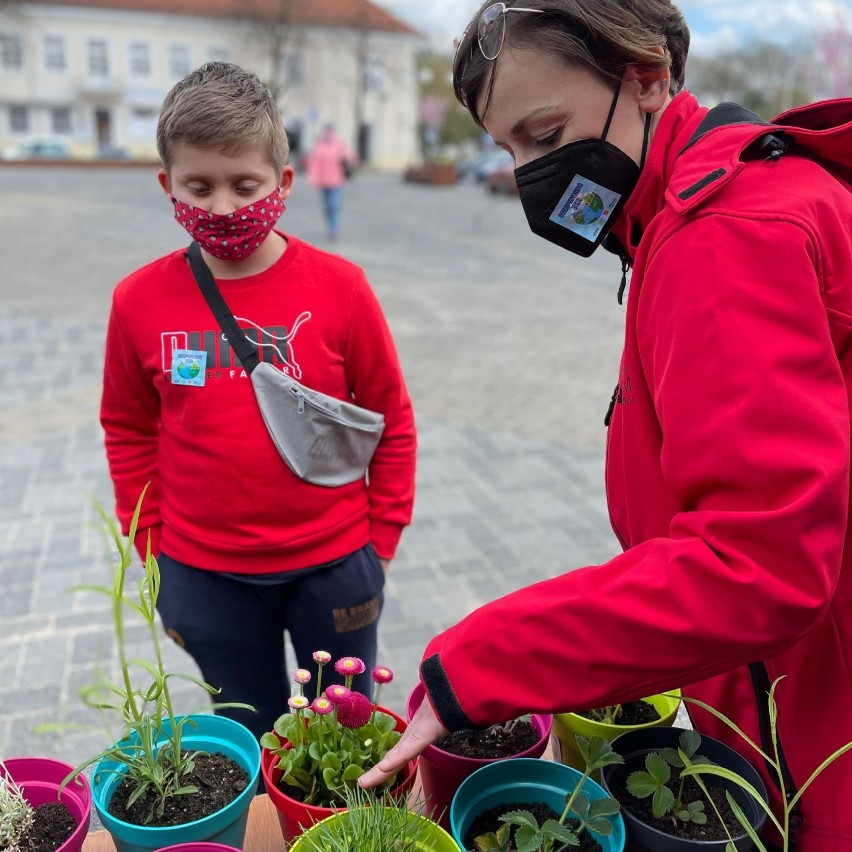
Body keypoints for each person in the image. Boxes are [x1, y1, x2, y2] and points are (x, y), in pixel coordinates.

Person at [359, 2, 852, 850]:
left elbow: (756, 567)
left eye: (546, 133)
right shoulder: (688, 212)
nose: (530, 174)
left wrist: (482, 661)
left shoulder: (725, 236)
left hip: (818, 734)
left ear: (648, 76)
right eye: (508, 148)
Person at [100, 62, 417, 746]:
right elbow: (127, 428)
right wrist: (153, 552)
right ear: (167, 185)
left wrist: (381, 541)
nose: (221, 206)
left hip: (335, 568)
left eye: (245, 185)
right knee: (251, 739)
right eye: (198, 186)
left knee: (346, 740)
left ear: (285, 182)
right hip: (204, 577)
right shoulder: (137, 301)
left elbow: (390, 418)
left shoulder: (342, 288)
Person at [306, 122, 357, 240]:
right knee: (327, 207)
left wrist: (347, 158)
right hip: (323, 182)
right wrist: (313, 179)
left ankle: (333, 229)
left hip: (336, 181)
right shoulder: (319, 146)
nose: (329, 133)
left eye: (330, 130)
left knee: (334, 205)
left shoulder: (339, 145)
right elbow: (315, 164)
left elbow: (351, 158)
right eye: (327, 130)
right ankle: (330, 226)